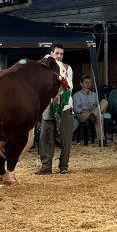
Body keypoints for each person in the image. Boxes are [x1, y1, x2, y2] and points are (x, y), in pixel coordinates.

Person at [36, 44, 74, 175]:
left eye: (61, 54)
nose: (59, 56)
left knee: (65, 137)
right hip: (48, 106)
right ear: (51, 53)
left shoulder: (67, 68)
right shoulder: (43, 68)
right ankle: (46, 166)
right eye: (57, 53)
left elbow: (69, 86)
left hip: (64, 106)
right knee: (45, 136)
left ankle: (64, 166)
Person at [72, 75, 104, 145]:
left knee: (104, 102)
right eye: (86, 82)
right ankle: (101, 140)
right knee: (99, 115)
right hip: (83, 115)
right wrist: (88, 110)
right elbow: (76, 109)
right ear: (81, 84)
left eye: (90, 82)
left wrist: (94, 109)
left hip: (92, 114)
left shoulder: (94, 94)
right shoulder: (77, 95)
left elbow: (97, 105)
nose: (89, 84)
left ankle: (100, 140)